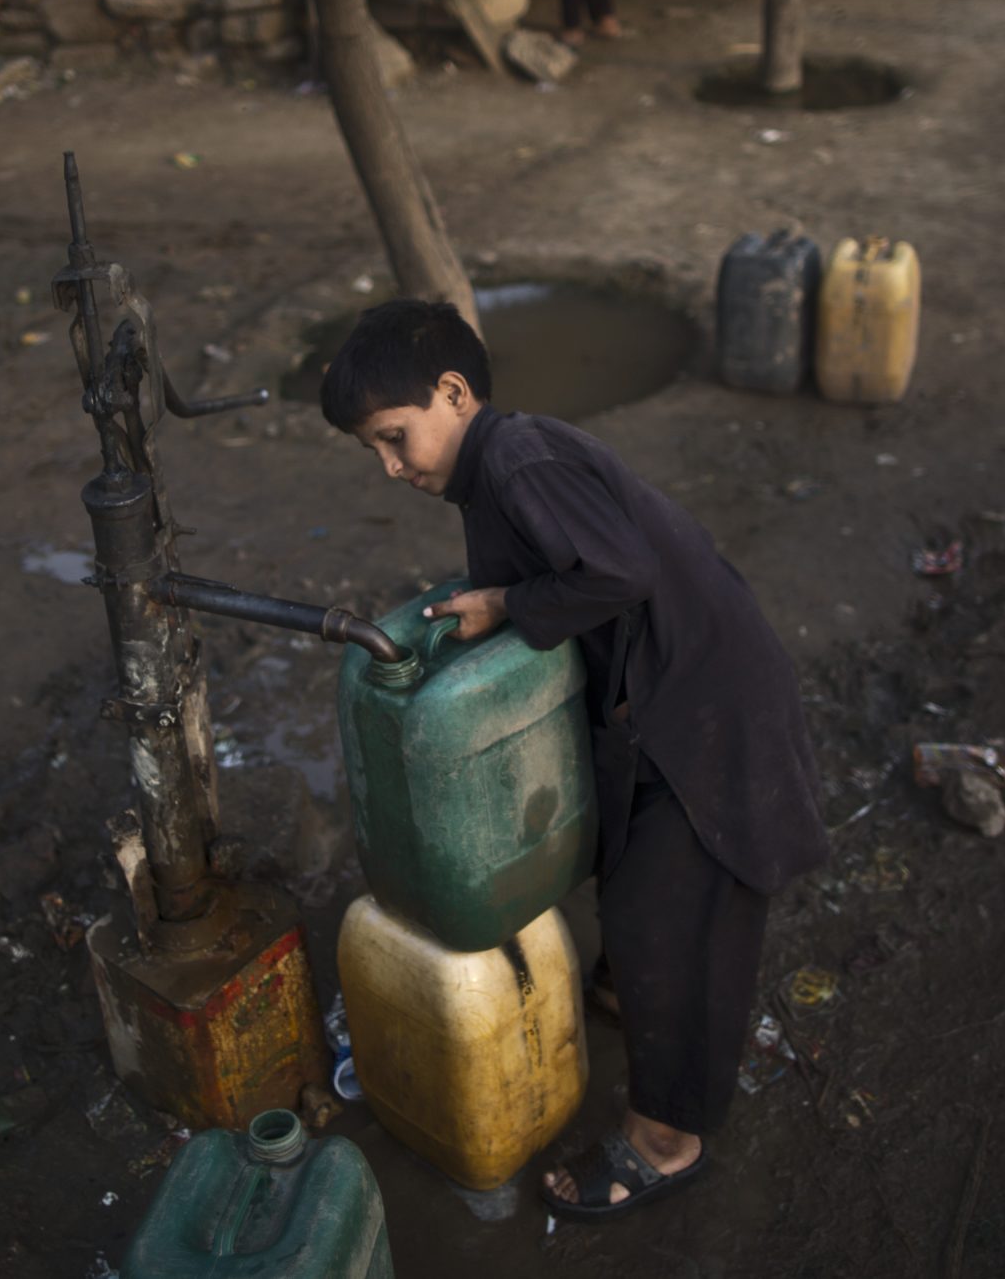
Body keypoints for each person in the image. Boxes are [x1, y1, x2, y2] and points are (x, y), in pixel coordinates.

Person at [318, 300, 828, 1221]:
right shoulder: (495, 464)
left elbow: (618, 572)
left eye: (395, 438)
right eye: (374, 451)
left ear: (453, 392)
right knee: (634, 884)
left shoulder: (515, 459)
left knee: (670, 917)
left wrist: (510, 602)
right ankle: (640, 996)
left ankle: (669, 1140)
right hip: (666, 688)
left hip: (705, 702)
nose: (391, 467)